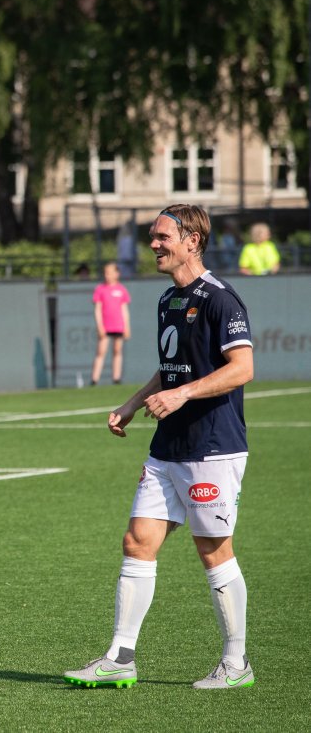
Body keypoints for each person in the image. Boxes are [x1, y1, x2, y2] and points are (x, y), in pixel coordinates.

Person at [64, 203, 255, 690]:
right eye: (152, 236)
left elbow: (242, 369)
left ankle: (236, 664)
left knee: (213, 550)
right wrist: (133, 403)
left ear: (192, 241)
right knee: (137, 542)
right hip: (167, 446)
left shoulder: (221, 300)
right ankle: (120, 658)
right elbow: (172, 369)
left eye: (162, 237)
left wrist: (183, 394)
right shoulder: (168, 299)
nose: (153, 244)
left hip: (212, 446)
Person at [90, 262, 130, 386]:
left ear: (117, 274)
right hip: (106, 326)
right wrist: (100, 326)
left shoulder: (121, 290)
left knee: (117, 351)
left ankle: (116, 378)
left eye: (110, 273)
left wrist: (126, 327)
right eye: (105, 273)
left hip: (118, 326)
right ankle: (94, 379)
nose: (107, 275)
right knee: (101, 352)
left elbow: (124, 310)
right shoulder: (100, 289)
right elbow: (97, 310)